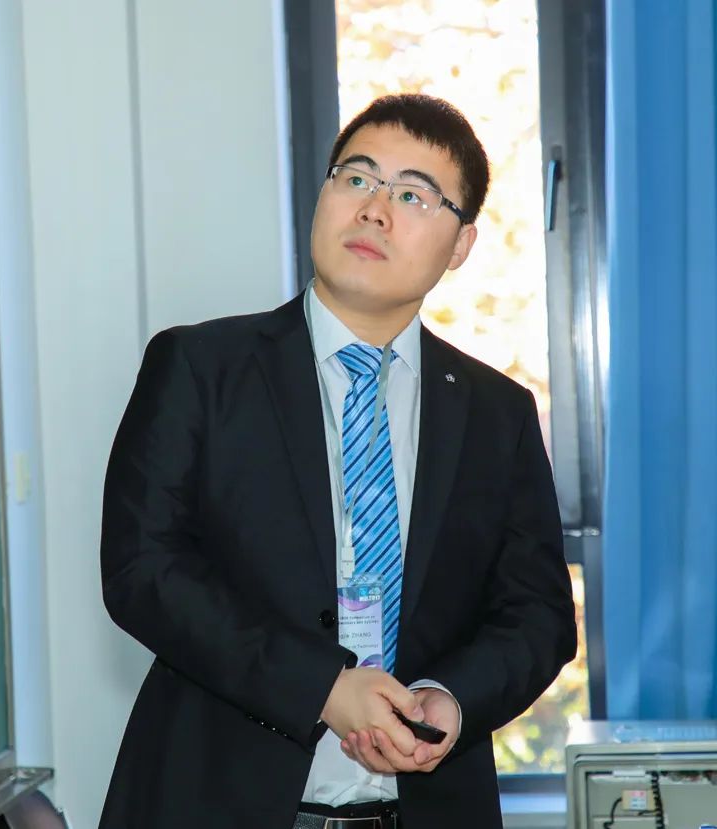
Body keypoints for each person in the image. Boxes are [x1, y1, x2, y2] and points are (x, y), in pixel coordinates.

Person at [98, 93, 576, 829]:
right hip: (218, 801)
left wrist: (452, 699)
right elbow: (143, 569)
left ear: (460, 245)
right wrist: (322, 686)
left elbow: (538, 614)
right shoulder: (200, 367)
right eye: (356, 179)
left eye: (413, 195)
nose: (375, 210)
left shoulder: (497, 414)